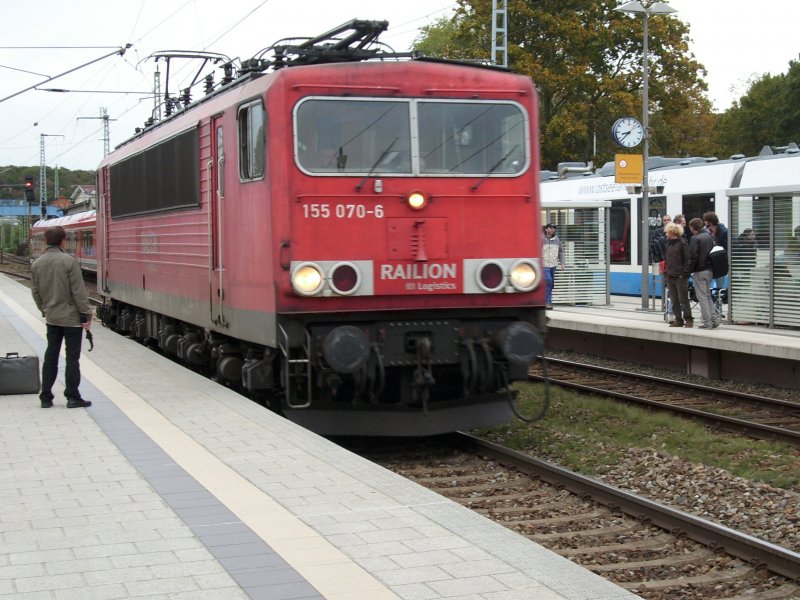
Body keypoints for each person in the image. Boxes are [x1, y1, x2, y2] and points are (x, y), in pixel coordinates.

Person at [30, 225, 93, 408]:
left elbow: (35, 292)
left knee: (51, 355)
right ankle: (73, 396)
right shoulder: (69, 261)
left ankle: (46, 397)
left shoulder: (37, 263)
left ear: (46, 241)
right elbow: (78, 291)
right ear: (63, 240)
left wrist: (44, 309)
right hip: (71, 318)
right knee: (72, 357)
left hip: (52, 317)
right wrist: (86, 314)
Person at [688, 217, 719, 329]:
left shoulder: (695, 239)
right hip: (710, 270)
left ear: (692, 227)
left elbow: (693, 257)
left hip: (700, 271)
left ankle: (707, 323)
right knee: (708, 296)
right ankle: (714, 320)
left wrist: (688, 270)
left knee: (702, 298)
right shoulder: (710, 236)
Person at [663, 222, 693, 327]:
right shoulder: (668, 244)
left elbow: (687, 260)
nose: (666, 234)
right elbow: (666, 259)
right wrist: (666, 272)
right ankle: (678, 320)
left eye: (667, 232)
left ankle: (688, 319)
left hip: (680, 277)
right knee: (674, 300)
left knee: (683, 299)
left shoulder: (683, 244)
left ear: (672, 232)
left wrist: (684, 274)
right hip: (670, 275)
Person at [703, 211, 729, 291]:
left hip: (721, 259)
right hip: (712, 259)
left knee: (720, 279)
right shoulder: (708, 231)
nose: (704, 222)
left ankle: (719, 297)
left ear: (710, 221)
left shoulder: (724, 232)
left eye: (705, 220)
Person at [541, 223, 565, 309]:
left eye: (553, 228)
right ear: (546, 229)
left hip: (553, 265)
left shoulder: (557, 239)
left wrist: (562, 263)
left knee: (551, 284)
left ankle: (548, 301)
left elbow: (561, 252)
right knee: (548, 281)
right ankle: (547, 302)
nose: (552, 230)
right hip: (544, 265)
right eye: (550, 228)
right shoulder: (541, 238)